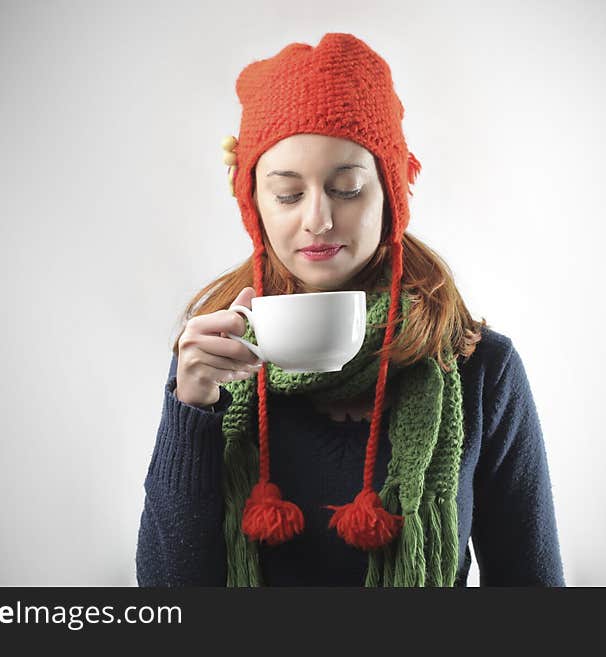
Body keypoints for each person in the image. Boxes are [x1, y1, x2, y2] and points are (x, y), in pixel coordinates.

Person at [136, 33, 565, 586]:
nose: (317, 219)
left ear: (390, 195)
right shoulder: (216, 357)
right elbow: (164, 598)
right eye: (288, 194)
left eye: (346, 188)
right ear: (255, 204)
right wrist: (191, 410)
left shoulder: (478, 368)